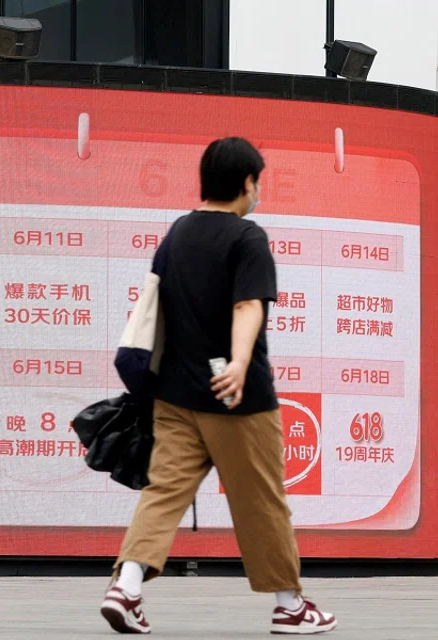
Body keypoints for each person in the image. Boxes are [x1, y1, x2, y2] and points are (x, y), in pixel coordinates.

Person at [100, 137, 337, 635]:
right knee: (260, 501)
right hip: (237, 400)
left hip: (175, 397)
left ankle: (129, 584)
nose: (258, 192)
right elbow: (248, 305)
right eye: (258, 183)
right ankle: (290, 606)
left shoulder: (177, 234)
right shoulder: (247, 238)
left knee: (164, 492)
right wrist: (239, 362)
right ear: (247, 183)